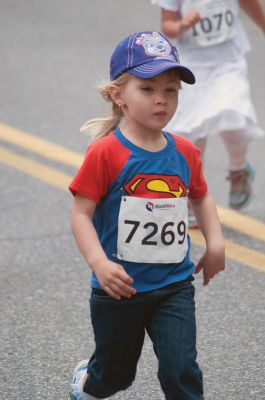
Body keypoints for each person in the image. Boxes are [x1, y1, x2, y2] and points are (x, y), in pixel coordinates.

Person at [68, 31, 225, 400]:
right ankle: (88, 382)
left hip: (174, 285)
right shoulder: (106, 153)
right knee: (116, 375)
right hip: (119, 289)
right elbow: (80, 215)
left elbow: (201, 197)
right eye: (148, 88)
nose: (161, 99)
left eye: (170, 90)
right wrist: (99, 263)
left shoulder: (185, 151)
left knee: (181, 369)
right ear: (118, 95)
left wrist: (215, 243)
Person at [151, 0, 265, 227]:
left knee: (234, 118)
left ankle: (238, 170)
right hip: (193, 67)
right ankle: (191, 196)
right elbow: (168, 25)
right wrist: (182, 24)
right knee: (191, 134)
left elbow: (249, 3)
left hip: (228, 62)